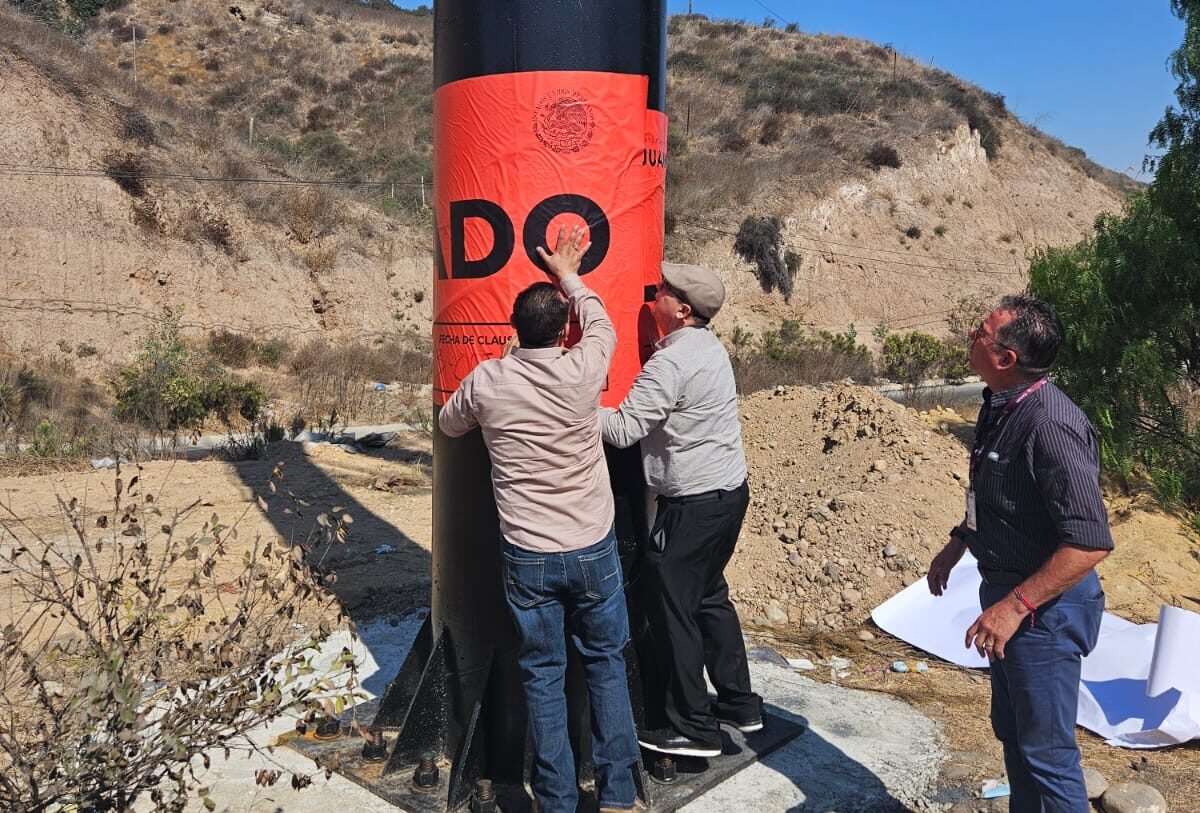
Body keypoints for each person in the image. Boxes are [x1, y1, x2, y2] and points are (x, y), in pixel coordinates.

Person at [438, 226, 640, 813]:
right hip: (593, 547)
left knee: (543, 675)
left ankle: (553, 799)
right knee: (605, 665)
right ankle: (618, 795)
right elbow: (602, 321)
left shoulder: (488, 382)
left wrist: (500, 365)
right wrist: (569, 273)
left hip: (528, 555)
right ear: (563, 332)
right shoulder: (584, 369)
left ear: (514, 331)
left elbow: (451, 425)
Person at [926, 294, 1113, 813]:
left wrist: (1013, 609)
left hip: (1043, 614)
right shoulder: (1000, 402)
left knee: (1048, 755)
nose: (971, 336)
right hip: (1009, 596)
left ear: (1006, 357)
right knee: (1015, 737)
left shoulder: (1049, 425)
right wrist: (959, 541)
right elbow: (996, 493)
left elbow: (1089, 540)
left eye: (981, 332)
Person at [601, 261, 762, 759]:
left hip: (691, 505)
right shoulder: (709, 347)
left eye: (664, 291)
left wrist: (566, 403)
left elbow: (623, 431)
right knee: (709, 595)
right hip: (727, 494)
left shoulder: (669, 363)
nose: (655, 294)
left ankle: (694, 727)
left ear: (682, 310)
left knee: (672, 608)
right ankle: (739, 703)